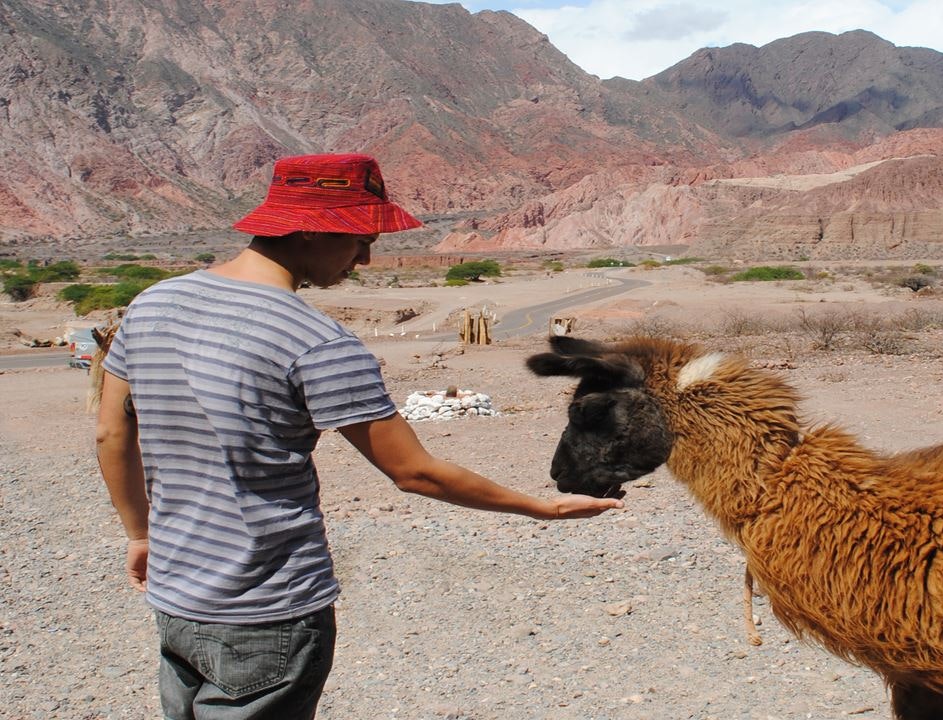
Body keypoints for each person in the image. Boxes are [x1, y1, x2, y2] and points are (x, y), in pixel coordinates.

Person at [94, 153, 623, 719]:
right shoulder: (316, 341)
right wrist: (541, 508)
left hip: (176, 598)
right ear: (308, 228)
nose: (366, 259)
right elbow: (413, 472)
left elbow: (110, 431)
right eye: (358, 239)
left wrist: (139, 533)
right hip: (268, 608)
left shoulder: (153, 303)